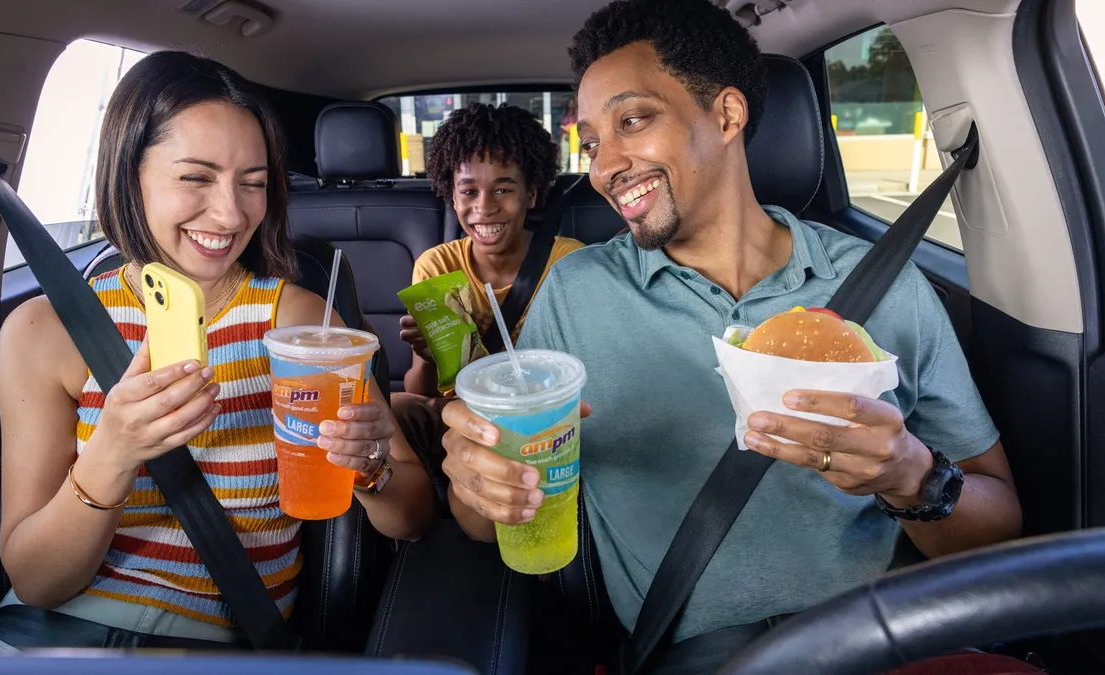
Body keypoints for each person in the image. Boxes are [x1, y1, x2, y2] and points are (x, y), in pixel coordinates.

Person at [437, 0, 1023, 671]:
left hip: (891, 638)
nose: (604, 168)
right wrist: (473, 483)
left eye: (633, 121)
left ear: (725, 115)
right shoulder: (575, 295)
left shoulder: (885, 282)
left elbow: (1000, 524)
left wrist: (912, 475)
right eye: (593, 143)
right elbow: (486, 515)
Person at [0, 51, 434, 654]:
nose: (231, 214)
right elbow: (36, 582)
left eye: (253, 183)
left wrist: (370, 469)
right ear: (132, 175)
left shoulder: (304, 325)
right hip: (41, 638)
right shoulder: (45, 331)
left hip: (218, 644)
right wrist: (114, 452)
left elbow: (411, 516)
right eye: (197, 177)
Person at [392, 103, 583, 488]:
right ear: (453, 194)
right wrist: (429, 357)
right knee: (395, 407)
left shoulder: (570, 262)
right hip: (462, 418)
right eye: (469, 191)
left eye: (503, 189)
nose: (484, 207)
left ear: (530, 194)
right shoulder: (437, 266)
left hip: (544, 419)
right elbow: (422, 391)